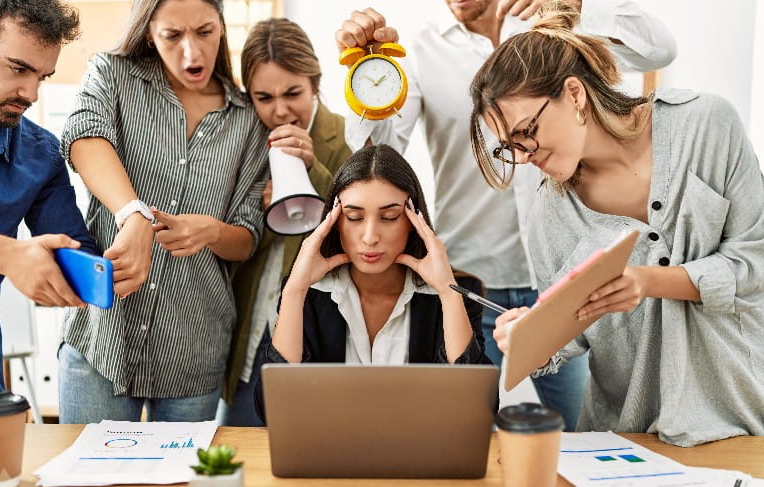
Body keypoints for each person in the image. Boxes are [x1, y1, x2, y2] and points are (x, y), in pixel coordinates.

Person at [335, 1, 677, 430]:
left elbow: (658, 50)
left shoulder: (551, 26)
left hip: (561, 282)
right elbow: (376, 154)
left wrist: (577, 5)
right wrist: (366, 75)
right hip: (474, 285)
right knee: (462, 432)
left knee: (578, 437)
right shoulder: (420, 49)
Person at [471, 1, 764, 446]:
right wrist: (529, 333)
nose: (526, 156)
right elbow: (572, 336)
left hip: (742, 420)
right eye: (510, 147)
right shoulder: (549, 214)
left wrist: (648, 280)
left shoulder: (707, 126)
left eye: (527, 131)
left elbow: (754, 263)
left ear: (573, 94)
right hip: (627, 440)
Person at [57, 0, 268, 423]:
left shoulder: (247, 119)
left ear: (221, 26)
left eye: (205, 32)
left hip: (194, 350)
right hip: (102, 341)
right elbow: (82, 136)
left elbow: (248, 236)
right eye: (173, 36)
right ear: (149, 32)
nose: (193, 53)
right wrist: (132, 213)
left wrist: (210, 232)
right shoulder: (111, 74)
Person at [0, 0, 97, 422]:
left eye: (42, 76)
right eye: (18, 69)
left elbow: (71, 249)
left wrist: (104, 269)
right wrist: (12, 255)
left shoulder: (42, 154)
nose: (31, 93)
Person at [254, 144, 488, 420]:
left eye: (389, 217)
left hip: (421, 455)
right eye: (354, 217)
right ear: (335, 221)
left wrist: (449, 295)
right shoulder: (309, 294)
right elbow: (272, 410)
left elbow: (478, 408)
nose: (369, 236)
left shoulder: (455, 294)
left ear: (414, 221)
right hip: (331, 454)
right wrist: (294, 290)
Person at [223, 18, 352, 426]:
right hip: (252, 327)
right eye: (263, 97)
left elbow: (361, 235)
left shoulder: (347, 138)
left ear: (315, 82)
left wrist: (312, 173)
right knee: (242, 447)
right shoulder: (243, 142)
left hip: (319, 331)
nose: (280, 110)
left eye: (293, 93)